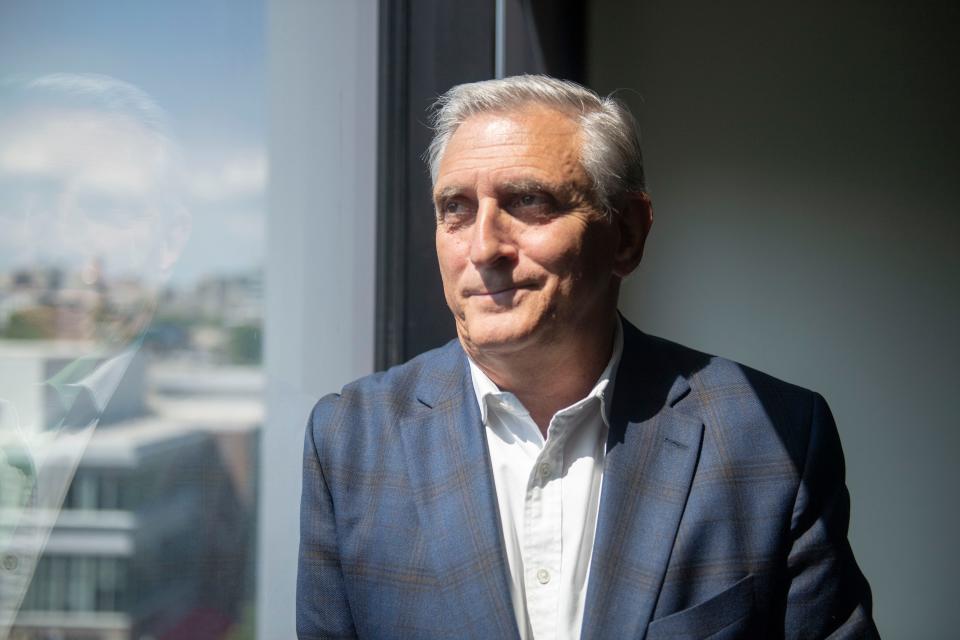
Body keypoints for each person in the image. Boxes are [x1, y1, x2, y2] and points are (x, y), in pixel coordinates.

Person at [296, 75, 878, 639]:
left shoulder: (769, 436)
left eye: (528, 201)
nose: (483, 248)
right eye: (457, 208)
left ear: (627, 234)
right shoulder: (350, 440)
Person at [0, 73, 189, 633]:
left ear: (170, 242)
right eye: (23, 199)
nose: (58, 238)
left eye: (105, 207)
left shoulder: (212, 448)